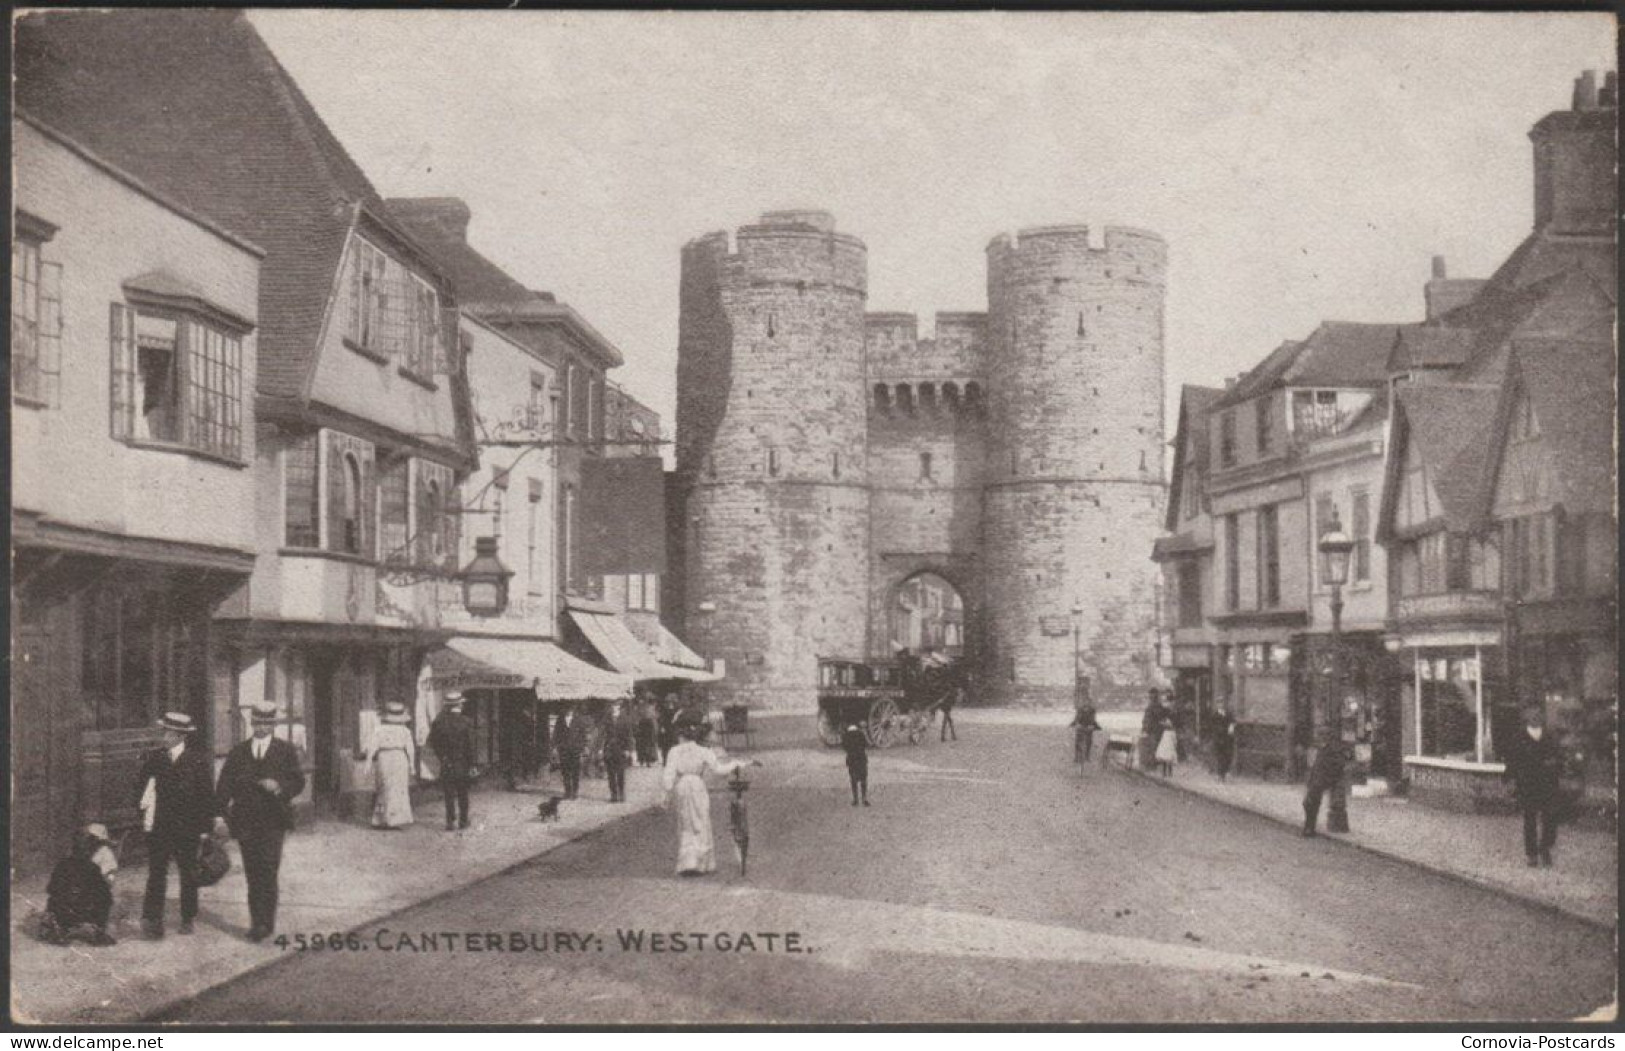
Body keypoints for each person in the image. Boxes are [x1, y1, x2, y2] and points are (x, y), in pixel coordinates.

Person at [216, 700, 306, 942]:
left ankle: (266, 922)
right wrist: (218, 813)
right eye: (258, 722)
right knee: (252, 872)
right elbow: (224, 784)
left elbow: (298, 781)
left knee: (268, 869)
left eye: (267, 723)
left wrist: (279, 787)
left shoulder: (284, 750)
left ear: (273, 724)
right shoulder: (239, 751)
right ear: (252, 723)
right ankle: (257, 922)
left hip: (273, 820)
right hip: (245, 821)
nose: (262, 727)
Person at [137, 711, 216, 940]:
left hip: (187, 828)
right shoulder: (155, 760)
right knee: (156, 874)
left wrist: (204, 829)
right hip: (160, 826)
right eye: (164, 731)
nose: (164, 736)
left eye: (168, 733)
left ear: (181, 736)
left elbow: (206, 796)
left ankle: (188, 917)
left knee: (188, 873)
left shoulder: (196, 761)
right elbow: (141, 790)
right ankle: (153, 920)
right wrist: (143, 817)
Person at [661, 713, 759, 875]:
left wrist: (666, 792)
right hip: (698, 786)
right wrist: (737, 763)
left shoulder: (674, 752)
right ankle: (701, 862)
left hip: (683, 786)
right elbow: (719, 769)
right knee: (701, 821)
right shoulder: (703, 751)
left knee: (686, 822)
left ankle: (687, 862)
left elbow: (668, 775)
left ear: (680, 734)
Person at [1504, 707, 1564, 867]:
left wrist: (1555, 764)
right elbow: (1512, 761)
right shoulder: (1519, 737)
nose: (1536, 717)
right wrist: (1509, 780)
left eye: (1539, 714)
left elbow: (1560, 757)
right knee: (1529, 819)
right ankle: (1532, 854)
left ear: (1542, 717)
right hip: (1528, 784)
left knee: (1550, 818)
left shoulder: (1550, 736)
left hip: (1548, 784)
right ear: (1526, 717)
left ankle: (1545, 847)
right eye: (1532, 714)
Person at [42, 825, 117, 946]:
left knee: (54, 900)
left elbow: (50, 889)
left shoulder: (62, 865)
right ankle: (98, 931)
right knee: (105, 899)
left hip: (64, 911)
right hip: (86, 912)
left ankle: (59, 927)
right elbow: (105, 893)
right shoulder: (93, 868)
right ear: (89, 850)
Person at [362, 701, 416, 829]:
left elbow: (372, 747)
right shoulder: (405, 731)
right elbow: (410, 749)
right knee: (396, 788)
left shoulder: (380, 730)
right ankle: (393, 819)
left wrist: (368, 762)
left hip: (385, 758)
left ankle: (383, 819)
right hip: (399, 758)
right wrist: (412, 765)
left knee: (385, 787)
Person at [429, 693, 475, 830]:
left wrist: (442, 756)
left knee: (448, 793)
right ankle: (463, 821)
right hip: (462, 762)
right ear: (460, 705)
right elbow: (470, 746)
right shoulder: (466, 722)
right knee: (463, 792)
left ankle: (450, 821)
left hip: (446, 761)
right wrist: (472, 764)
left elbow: (434, 743)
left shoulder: (438, 722)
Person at [1301, 728, 1352, 837]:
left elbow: (1338, 765)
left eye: (1322, 735)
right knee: (1308, 804)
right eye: (1320, 735)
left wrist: (1329, 778)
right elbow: (1316, 766)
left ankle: (1309, 828)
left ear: (1327, 736)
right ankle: (1309, 827)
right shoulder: (1321, 748)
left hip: (1322, 780)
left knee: (1311, 803)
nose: (1320, 737)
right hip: (1316, 780)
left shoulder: (1332, 749)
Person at [554, 704, 589, 800]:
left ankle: (575, 791)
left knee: (575, 771)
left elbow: (583, 734)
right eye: (566, 709)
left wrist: (583, 747)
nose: (568, 711)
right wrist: (556, 746)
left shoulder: (579, 720)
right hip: (563, 749)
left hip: (575, 749)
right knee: (565, 771)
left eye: (570, 709)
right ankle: (567, 791)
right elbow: (556, 733)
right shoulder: (560, 719)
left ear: (573, 710)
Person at [603, 702, 633, 803]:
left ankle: (621, 794)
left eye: (616, 705)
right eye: (612, 705)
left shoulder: (625, 719)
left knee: (620, 773)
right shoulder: (607, 719)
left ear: (619, 707)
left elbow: (629, 735)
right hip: (609, 749)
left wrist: (628, 749)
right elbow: (602, 734)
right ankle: (613, 795)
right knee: (611, 774)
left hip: (621, 749)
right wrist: (599, 748)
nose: (614, 707)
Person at [842, 722, 871, 806]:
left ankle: (855, 799)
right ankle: (864, 798)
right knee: (863, 779)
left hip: (851, 759)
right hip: (861, 758)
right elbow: (866, 744)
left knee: (853, 780)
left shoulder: (846, 736)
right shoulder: (861, 734)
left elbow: (844, 747)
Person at [1211, 705, 1237, 782]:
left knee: (1228, 756)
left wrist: (1232, 726)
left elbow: (1233, 721)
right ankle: (1220, 775)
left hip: (1227, 740)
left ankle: (1225, 774)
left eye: (1222, 703)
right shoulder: (1215, 716)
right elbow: (1213, 727)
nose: (1221, 705)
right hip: (1219, 740)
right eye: (1219, 703)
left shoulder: (1228, 713)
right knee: (1220, 757)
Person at [1154, 709, 1179, 776]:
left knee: (1166, 760)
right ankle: (1167, 773)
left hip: (1166, 747)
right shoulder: (1170, 732)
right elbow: (1174, 740)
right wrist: (1175, 745)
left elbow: (1171, 740)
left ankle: (1166, 773)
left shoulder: (1166, 732)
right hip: (1168, 747)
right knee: (1168, 760)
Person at [634, 699, 659, 767]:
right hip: (645, 731)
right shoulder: (647, 712)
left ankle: (644, 761)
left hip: (644, 731)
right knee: (645, 746)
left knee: (644, 746)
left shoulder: (641, 711)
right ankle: (645, 761)